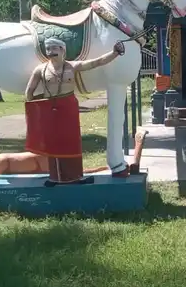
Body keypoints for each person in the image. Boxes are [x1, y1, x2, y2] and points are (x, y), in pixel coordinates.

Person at [24, 38, 125, 186]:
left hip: (68, 108)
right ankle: (55, 177)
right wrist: (37, 109)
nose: (51, 52)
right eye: (49, 49)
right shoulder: (40, 69)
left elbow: (97, 62)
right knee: (53, 142)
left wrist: (115, 53)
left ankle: (76, 176)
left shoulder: (72, 66)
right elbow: (29, 92)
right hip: (50, 109)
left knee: (72, 140)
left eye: (55, 48)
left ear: (62, 50)